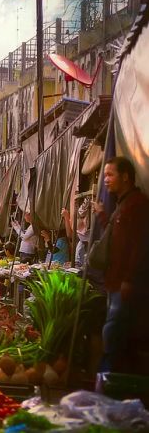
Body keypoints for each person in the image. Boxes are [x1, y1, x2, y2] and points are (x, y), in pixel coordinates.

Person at [93, 157, 149, 374]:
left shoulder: (137, 205)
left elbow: (140, 247)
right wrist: (101, 216)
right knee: (114, 332)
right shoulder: (122, 205)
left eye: (110, 174)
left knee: (113, 332)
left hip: (125, 284)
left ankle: (107, 382)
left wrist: (130, 279)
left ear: (125, 177)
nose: (105, 180)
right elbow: (115, 237)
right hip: (115, 281)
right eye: (104, 175)